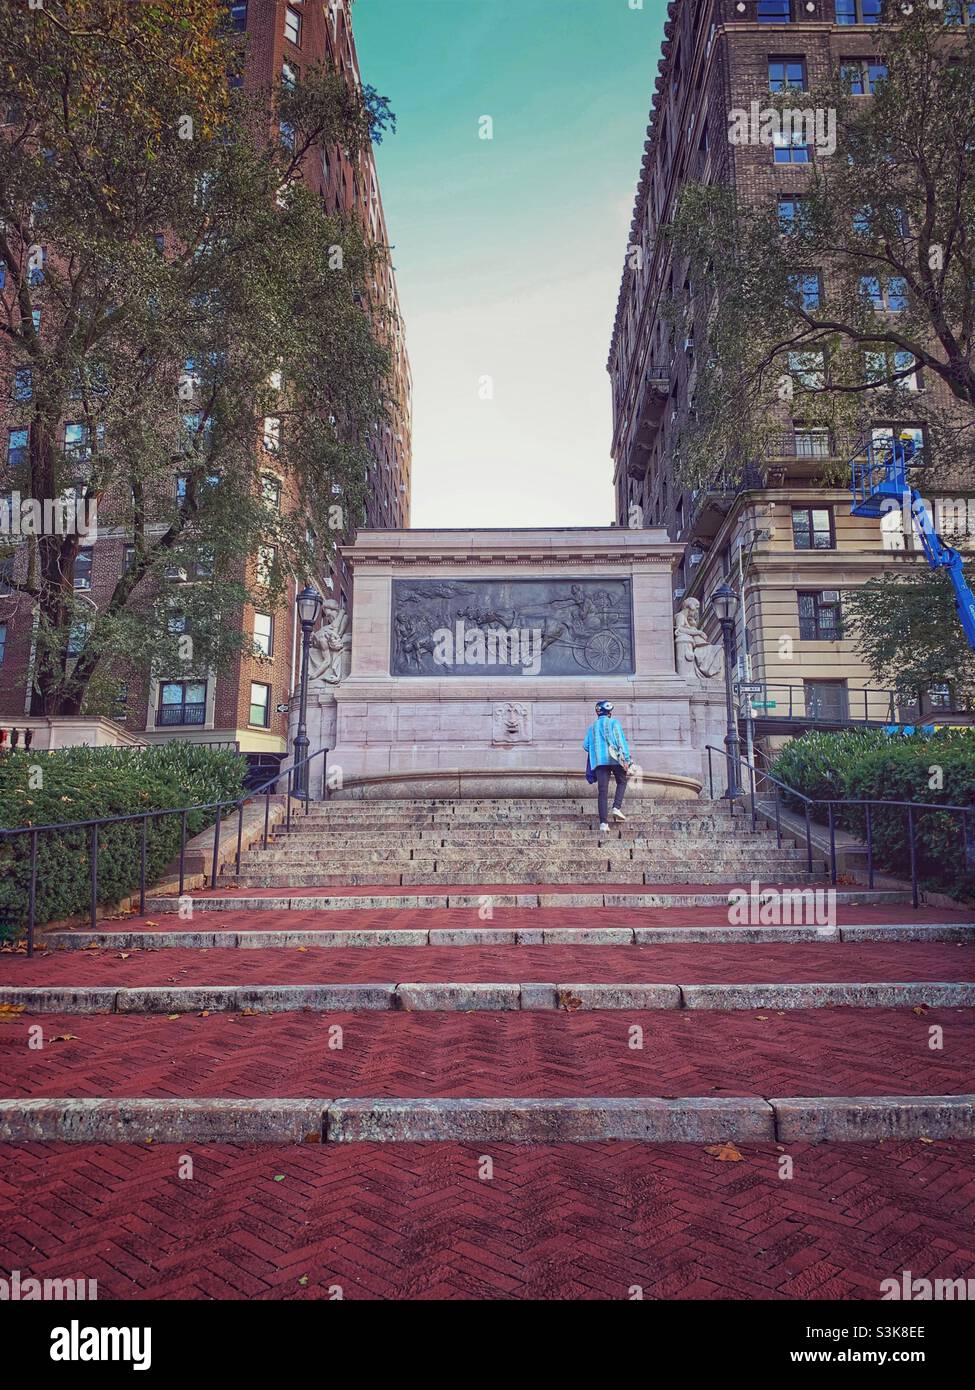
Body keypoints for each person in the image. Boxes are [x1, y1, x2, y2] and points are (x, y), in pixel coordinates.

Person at [583, 700, 631, 831]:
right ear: (609, 712)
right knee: (621, 781)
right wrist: (627, 759)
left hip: (599, 761)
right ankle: (616, 807)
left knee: (602, 792)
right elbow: (620, 741)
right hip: (615, 759)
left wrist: (598, 748)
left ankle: (603, 824)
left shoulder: (592, 727)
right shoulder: (614, 723)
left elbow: (585, 746)